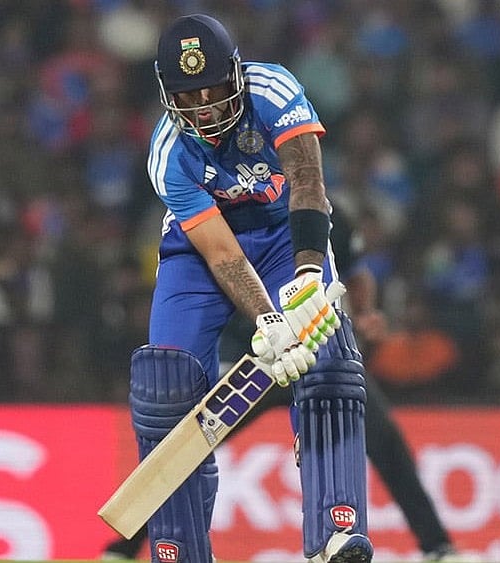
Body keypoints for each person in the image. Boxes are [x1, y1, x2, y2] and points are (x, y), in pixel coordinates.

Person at [125, 14, 371, 563]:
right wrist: (267, 320)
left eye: (213, 88)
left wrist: (308, 281)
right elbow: (219, 251)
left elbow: (308, 181)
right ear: (167, 93)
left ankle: (336, 527)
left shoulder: (274, 89)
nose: (205, 107)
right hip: (201, 250)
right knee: (167, 383)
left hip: (286, 232)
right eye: (189, 95)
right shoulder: (168, 153)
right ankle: (178, 550)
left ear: (237, 72)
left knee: (327, 359)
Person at [104, 264, 459, 562]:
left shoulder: (318, 215)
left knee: (386, 442)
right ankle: (127, 548)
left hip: (314, 355)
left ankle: (437, 546)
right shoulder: (229, 216)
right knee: (189, 444)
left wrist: (364, 314)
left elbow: (355, 271)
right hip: (253, 358)